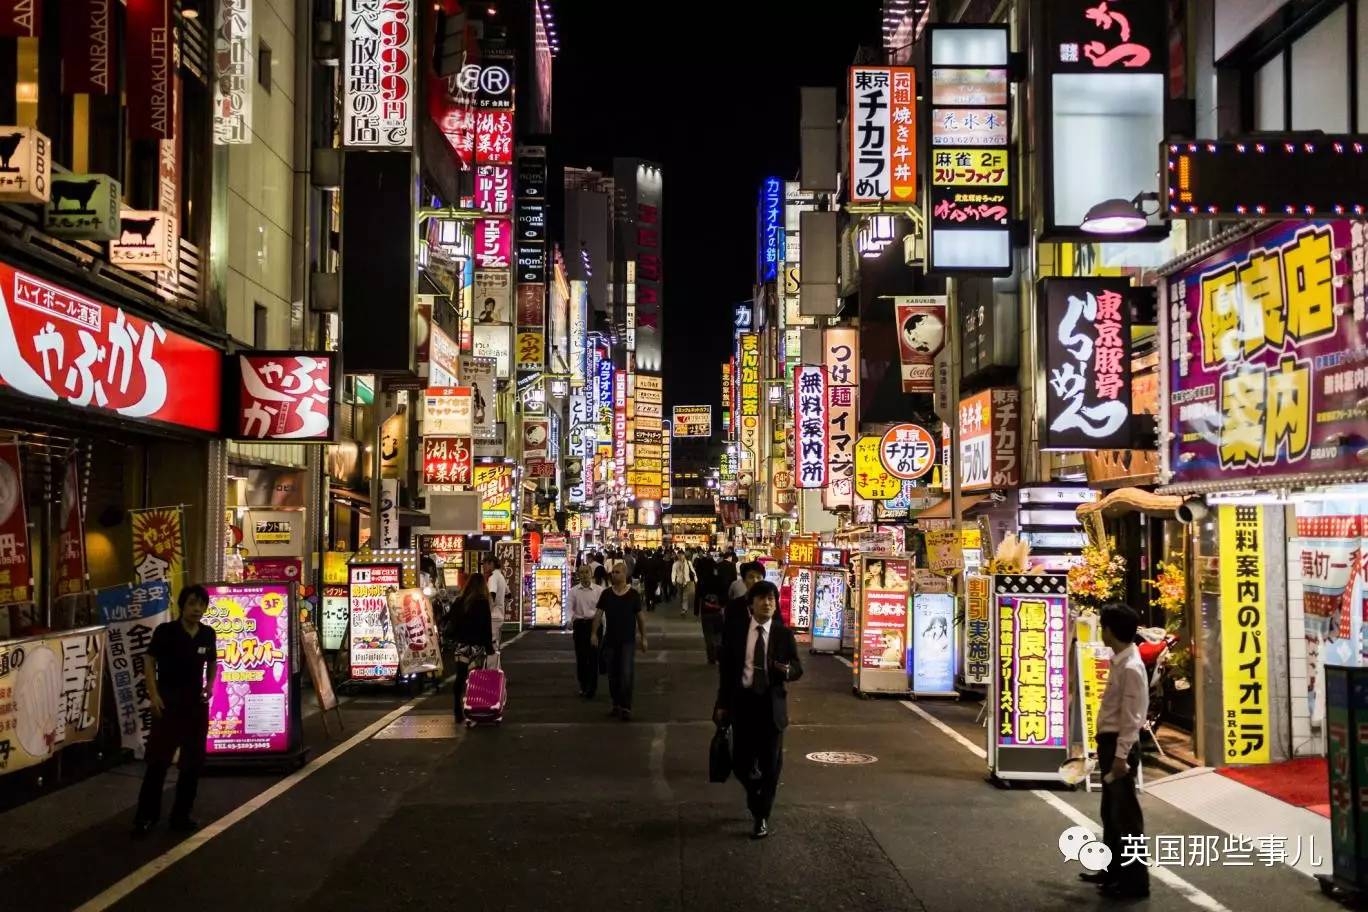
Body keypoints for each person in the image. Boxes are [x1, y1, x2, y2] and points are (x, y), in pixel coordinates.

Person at [714, 580, 802, 839]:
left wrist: (786, 670)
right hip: (744, 703)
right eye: (762, 598)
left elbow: (797, 668)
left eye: (772, 599)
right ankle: (756, 797)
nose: (768, 603)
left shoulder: (783, 634)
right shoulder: (738, 631)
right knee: (741, 764)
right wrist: (721, 704)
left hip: (771, 707)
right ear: (751, 604)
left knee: (771, 766)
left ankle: (761, 816)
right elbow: (727, 672)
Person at [1079, 602, 1151, 900]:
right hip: (1110, 744)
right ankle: (1112, 873)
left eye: (1103, 626)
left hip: (1120, 748)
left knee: (1126, 817)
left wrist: (1121, 757)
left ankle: (1135, 883)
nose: (1101, 631)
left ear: (1110, 630)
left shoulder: (1131, 667)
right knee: (1111, 812)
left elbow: (1133, 717)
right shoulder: (1121, 659)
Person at [134, 585, 217, 835]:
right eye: (192, 604)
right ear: (182, 606)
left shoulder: (207, 634)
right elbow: (149, 660)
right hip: (167, 704)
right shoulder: (166, 632)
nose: (197, 609)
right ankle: (146, 817)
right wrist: (153, 693)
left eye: (201, 605)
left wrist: (210, 685)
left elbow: (213, 661)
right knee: (158, 762)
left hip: (195, 706)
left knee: (192, 765)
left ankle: (181, 816)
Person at [590, 563, 647, 719]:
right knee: (613, 674)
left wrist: (643, 638)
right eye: (612, 572)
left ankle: (626, 706)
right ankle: (616, 703)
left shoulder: (633, 595)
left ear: (625, 574)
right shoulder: (607, 594)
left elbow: (640, 618)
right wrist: (594, 633)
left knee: (626, 673)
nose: (613, 574)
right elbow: (598, 614)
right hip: (610, 640)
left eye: (617, 572)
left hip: (628, 641)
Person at [446, 573, 495, 720]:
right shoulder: (482, 603)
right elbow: (487, 627)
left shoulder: (460, 601)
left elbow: (449, 618)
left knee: (460, 677)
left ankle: (457, 709)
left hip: (462, 645)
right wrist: (489, 647)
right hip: (477, 646)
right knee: (476, 678)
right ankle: (475, 706)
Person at [567, 565, 604, 698]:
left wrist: (604, 626)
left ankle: (592, 688)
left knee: (594, 657)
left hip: (595, 625)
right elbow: (569, 608)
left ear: (591, 573)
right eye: (581, 572)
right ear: (578, 574)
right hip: (580, 626)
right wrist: (569, 620)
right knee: (581, 657)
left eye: (586, 572)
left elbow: (602, 610)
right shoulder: (573, 591)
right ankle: (583, 684)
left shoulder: (599, 590)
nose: (584, 575)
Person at [483, 556, 508, 649]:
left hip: (492, 616)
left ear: (491, 564)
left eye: (485, 564)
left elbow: (492, 594)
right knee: (496, 644)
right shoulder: (501, 576)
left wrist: (487, 610)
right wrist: (501, 602)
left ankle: (492, 664)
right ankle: (496, 664)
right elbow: (508, 594)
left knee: (492, 644)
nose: (483, 567)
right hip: (500, 615)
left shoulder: (492, 577)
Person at [672, 550, 697, 616]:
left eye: (681, 555)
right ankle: (682, 606)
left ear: (684, 555)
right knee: (680, 595)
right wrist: (673, 580)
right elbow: (673, 572)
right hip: (679, 582)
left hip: (687, 581)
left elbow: (693, 570)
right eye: (679, 555)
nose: (680, 557)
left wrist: (695, 578)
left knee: (685, 596)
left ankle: (684, 609)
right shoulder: (675, 564)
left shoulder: (688, 563)